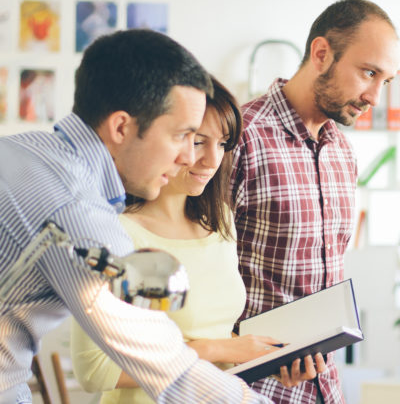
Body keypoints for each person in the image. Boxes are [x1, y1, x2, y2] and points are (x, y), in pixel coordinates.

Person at [0, 29, 271, 403]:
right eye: (180, 136)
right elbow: (164, 366)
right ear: (121, 126)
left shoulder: (13, 152)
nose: (189, 158)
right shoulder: (72, 208)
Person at [70, 77, 321, 403]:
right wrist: (215, 349)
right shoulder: (118, 234)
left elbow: (215, 336)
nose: (212, 160)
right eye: (199, 142)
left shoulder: (221, 225)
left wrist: (264, 357)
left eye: (223, 143)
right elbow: (93, 370)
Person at [231, 0, 400, 404]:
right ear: (321, 53)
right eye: (368, 73)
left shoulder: (342, 151)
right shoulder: (239, 138)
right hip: (252, 389)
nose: (375, 97)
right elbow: (199, 279)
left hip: (325, 388)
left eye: (386, 81)